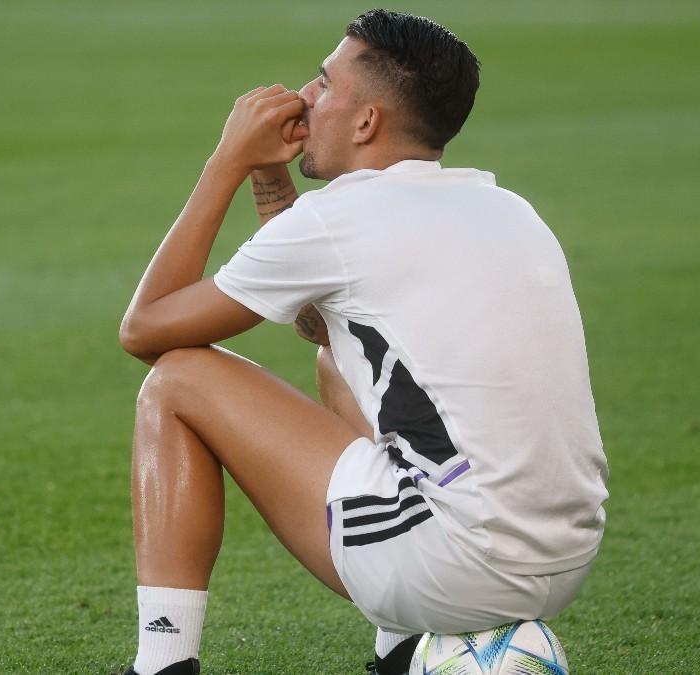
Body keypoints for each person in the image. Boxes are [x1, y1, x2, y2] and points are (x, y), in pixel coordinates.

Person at [116, 9, 608, 675]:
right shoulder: (505, 204)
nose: (304, 96)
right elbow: (323, 322)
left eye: (323, 83)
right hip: (563, 559)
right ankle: (402, 653)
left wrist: (226, 161)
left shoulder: (339, 219)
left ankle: (162, 664)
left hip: (460, 561)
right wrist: (271, 172)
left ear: (367, 121)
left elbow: (144, 328)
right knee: (336, 362)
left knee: (177, 379)